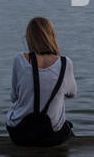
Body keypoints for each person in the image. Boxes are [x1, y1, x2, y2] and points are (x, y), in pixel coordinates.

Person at [5, 17, 77, 146]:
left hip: (19, 134)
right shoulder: (66, 63)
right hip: (52, 136)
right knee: (65, 123)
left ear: (29, 38)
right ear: (52, 36)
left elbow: (14, 97)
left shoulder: (19, 60)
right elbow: (72, 93)